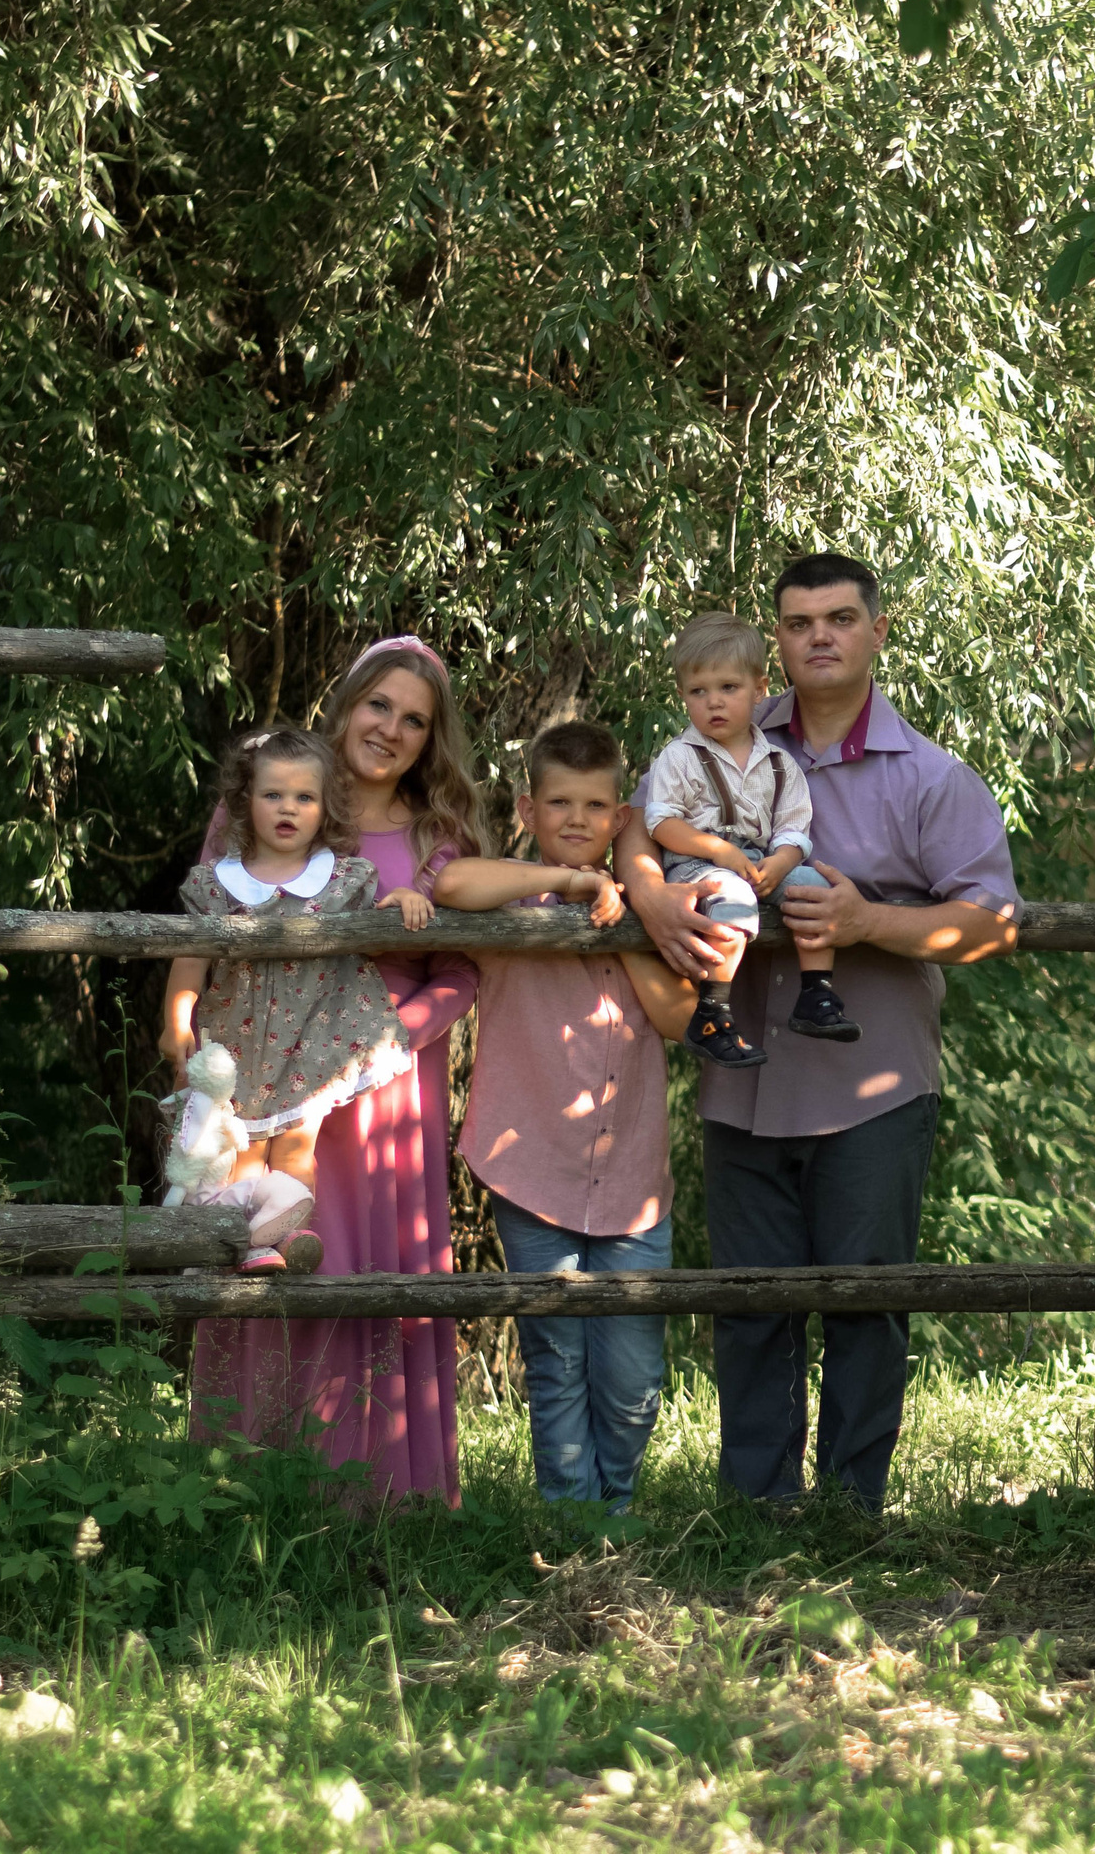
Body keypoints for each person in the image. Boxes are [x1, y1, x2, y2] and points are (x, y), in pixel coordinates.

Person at [620, 552, 1022, 1518]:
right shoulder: (718, 734)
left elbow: (994, 921)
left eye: (841, 619)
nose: (821, 637)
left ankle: (851, 1511)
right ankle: (757, 1510)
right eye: (800, 623)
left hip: (872, 1085)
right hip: (744, 1077)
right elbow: (636, 825)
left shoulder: (930, 776)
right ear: (778, 643)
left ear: (877, 631)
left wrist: (865, 923)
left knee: (864, 1300)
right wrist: (647, 893)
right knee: (752, 1305)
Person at [190, 636, 485, 1507]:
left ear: (431, 741)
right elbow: (206, 936)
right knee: (271, 1258)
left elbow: (461, 973)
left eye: (415, 720)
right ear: (347, 702)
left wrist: (380, 1041)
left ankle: (386, 1496)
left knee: (366, 1274)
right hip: (266, 1066)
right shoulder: (267, 804)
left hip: (385, 1085)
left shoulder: (440, 838)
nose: (390, 729)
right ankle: (251, 1488)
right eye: (378, 705)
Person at [434, 722, 695, 1508]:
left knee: (631, 1371)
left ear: (620, 817)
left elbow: (679, 1019)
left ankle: (618, 1504)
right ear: (528, 808)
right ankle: (573, 1521)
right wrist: (568, 886)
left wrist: (626, 922)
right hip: (531, 1166)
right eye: (559, 803)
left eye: (594, 805)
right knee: (556, 1358)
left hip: (633, 1179)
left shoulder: (652, 909)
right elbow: (450, 886)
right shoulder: (513, 903)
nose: (576, 819)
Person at [161, 727, 425, 1271]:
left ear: (325, 808)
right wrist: (176, 1024)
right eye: (272, 795)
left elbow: (372, 929)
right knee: (241, 1154)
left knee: (296, 1148)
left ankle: (281, 1236)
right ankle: (246, 1244)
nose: (289, 808)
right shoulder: (217, 883)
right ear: (244, 801)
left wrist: (399, 900)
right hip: (238, 1040)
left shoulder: (344, 878)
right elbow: (189, 960)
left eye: (305, 797)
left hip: (312, 1041)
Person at [643, 610, 857, 1067]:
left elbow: (795, 829)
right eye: (698, 692)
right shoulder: (680, 757)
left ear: (759, 689)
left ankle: (816, 995)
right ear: (682, 697)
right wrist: (716, 849)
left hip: (760, 862)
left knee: (816, 889)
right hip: (696, 863)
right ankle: (712, 1013)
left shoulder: (778, 763)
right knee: (734, 896)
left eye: (728, 688)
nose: (713, 703)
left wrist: (781, 862)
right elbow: (661, 824)